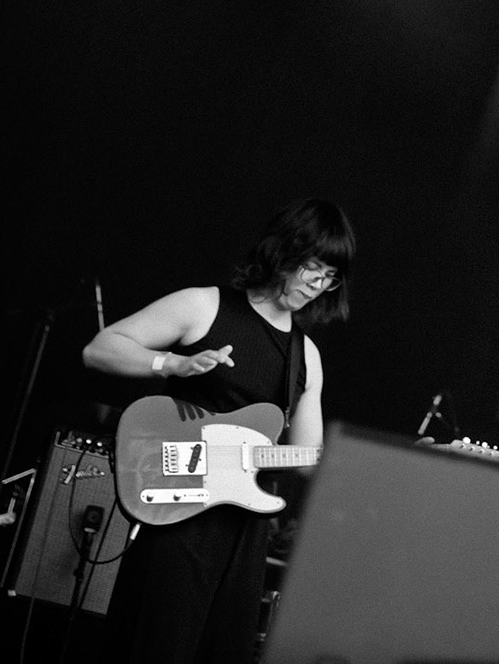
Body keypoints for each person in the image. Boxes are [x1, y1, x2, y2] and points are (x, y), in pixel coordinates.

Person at [82, 198, 354, 664]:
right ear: (283, 251)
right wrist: (171, 363)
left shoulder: (306, 356)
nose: (317, 284)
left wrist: (375, 461)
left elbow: (309, 459)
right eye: (312, 267)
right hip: (177, 519)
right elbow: (100, 349)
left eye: (329, 276)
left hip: (244, 537)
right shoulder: (205, 305)